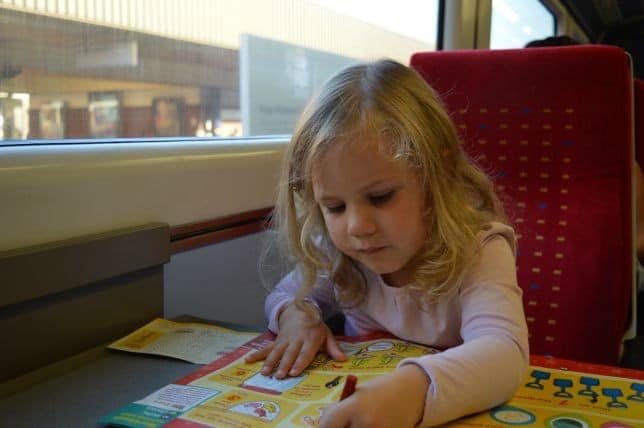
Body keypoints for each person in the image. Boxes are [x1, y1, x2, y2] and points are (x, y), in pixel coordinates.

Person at [245, 59, 529, 427]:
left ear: (434, 175)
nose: (358, 226)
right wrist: (298, 317)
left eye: (380, 197)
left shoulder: (479, 249)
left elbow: (504, 352)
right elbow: (284, 296)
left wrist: (412, 390)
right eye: (334, 206)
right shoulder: (340, 253)